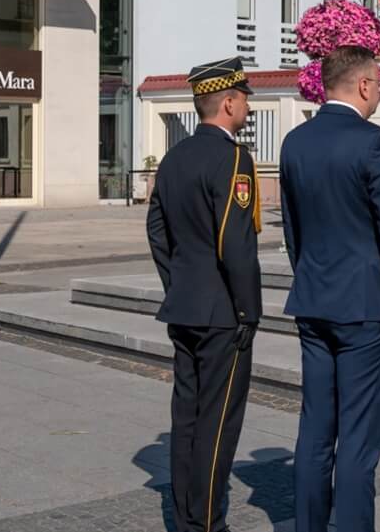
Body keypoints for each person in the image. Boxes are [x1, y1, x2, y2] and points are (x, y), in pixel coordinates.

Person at [279, 46, 380, 532]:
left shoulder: (294, 142)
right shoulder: (374, 143)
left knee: (315, 431)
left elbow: (293, 230)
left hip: (314, 301)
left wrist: (310, 278)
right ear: (363, 85)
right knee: (358, 441)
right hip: (364, 307)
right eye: (379, 83)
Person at [146, 57, 263, 532]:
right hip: (221, 313)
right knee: (218, 423)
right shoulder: (234, 158)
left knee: (187, 418)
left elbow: (156, 229)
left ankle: (185, 517)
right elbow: (234, 243)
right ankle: (206, 524)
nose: (249, 107)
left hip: (186, 305)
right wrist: (245, 309)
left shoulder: (174, 158)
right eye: (245, 99)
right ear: (229, 101)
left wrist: (177, 284)